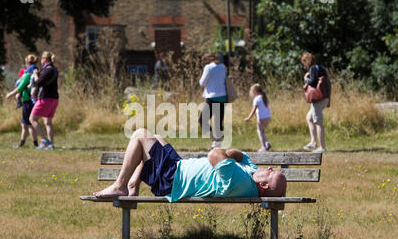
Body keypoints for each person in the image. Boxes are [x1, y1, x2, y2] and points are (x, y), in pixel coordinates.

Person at [93, 128, 287, 201]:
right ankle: (133, 184)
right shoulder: (251, 172)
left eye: (271, 173)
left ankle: (120, 187)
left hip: (173, 180)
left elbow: (215, 154)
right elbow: (237, 154)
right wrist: (228, 157)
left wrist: (226, 157)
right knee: (157, 137)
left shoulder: (242, 181)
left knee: (139, 135)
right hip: (178, 168)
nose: (269, 168)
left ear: (263, 185)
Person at [5, 55, 39, 148]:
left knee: (25, 124)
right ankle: (35, 144)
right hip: (33, 100)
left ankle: (22, 144)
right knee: (29, 124)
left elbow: (19, 88)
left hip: (27, 101)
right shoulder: (36, 72)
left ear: (27, 63)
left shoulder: (27, 74)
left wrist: (10, 94)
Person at [301, 52, 331, 153]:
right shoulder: (321, 68)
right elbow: (328, 83)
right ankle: (313, 142)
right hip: (324, 97)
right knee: (309, 117)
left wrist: (306, 78)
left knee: (318, 122)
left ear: (307, 61)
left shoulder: (313, 68)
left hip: (318, 99)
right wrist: (328, 99)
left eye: (303, 63)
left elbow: (313, 82)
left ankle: (322, 147)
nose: (303, 65)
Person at [30, 51, 59, 150]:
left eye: (42, 58)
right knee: (48, 122)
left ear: (45, 59)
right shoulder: (54, 69)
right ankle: (51, 144)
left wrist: (36, 74)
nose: (40, 60)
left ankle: (44, 140)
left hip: (45, 98)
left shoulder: (47, 70)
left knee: (32, 119)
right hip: (54, 99)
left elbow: (39, 83)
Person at [198, 52, 228, 149]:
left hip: (212, 97)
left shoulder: (208, 67)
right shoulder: (223, 67)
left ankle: (214, 139)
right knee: (218, 121)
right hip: (223, 97)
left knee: (202, 120)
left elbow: (202, 83)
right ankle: (217, 144)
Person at [244, 83, 272, 152]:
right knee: (262, 131)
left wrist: (249, 117)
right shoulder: (264, 97)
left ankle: (264, 146)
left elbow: (254, 109)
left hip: (261, 118)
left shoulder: (256, 99)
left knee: (259, 131)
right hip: (268, 117)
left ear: (255, 92)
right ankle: (266, 143)